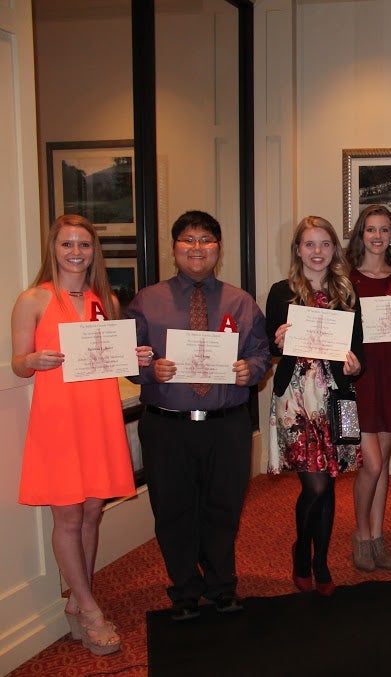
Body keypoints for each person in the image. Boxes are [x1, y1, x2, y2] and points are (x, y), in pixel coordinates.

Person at [13, 214, 151, 655]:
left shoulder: (104, 299)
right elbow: (17, 363)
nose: (76, 252)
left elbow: (112, 358)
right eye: (68, 244)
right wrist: (34, 359)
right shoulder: (33, 299)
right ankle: (90, 608)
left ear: (95, 251)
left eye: (84, 245)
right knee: (67, 516)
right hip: (58, 417)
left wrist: (135, 355)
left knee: (93, 511)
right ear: (53, 247)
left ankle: (77, 601)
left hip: (99, 414)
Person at [125, 210, 270, 622]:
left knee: (224, 507)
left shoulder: (240, 302)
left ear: (218, 249)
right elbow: (127, 356)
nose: (197, 248)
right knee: (173, 509)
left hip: (227, 427)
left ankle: (222, 585)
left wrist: (251, 369)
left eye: (205, 240)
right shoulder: (146, 302)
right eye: (188, 239)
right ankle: (185, 588)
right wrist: (149, 370)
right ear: (174, 248)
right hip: (167, 425)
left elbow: (259, 352)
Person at [266, 216, 364, 595]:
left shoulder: (348, 292)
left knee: (330, 483)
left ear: (334, 249)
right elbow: (268, 344)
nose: (317, 252)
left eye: (325, 244)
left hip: (337, 397)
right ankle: (301, 554)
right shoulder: (280, 292)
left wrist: (356, 365)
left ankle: (319, 561)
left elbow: (359, 350)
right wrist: (277, 339)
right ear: (297, 250)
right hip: (295, 398)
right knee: (317, 485)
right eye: (309, 244)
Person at [345, 204, 391, 571]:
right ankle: (360, 533)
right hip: (359, 377)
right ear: (361, 235)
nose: (377, 237)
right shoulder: (344, 278)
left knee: (384, 462)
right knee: (370, 463)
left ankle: (377, 534)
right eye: (370, 230)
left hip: (390, 374)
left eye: (384, 230)